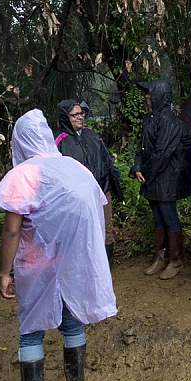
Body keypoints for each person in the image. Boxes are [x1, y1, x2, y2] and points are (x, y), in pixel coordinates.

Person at [0, 109, 117, 381]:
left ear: (21, 142)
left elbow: (12, 231)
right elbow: (99, 207)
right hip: (75, 261)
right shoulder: (74, 167)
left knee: (31, 329)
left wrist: (5, 273)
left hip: (38, 265)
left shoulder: (24, 175)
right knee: (72, 323)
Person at [131, 79, 191, 280]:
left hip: (167, 177)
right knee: (158, 217)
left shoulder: (169, 120)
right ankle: (161, 256)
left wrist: (146, 172)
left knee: (169, 215)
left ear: (159, 94)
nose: (146, 97)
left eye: (150, 93)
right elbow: (141, 148)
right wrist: (138, 168)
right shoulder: (149, 119)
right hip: (152, 176)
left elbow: (163, 153)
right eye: (146, 93)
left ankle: (175, 260)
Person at [55, 100, 124, 268]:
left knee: (106, 229)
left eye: (81, 113)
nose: (80, 117)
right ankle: (86, 269)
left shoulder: (92, 135)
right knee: (84, 231)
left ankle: (106, 267)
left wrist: (114, 182)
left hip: (102, 188)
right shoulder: (59, 141)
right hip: (78, 197)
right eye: (75, 115)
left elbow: (106, 160)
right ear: (65, 117)